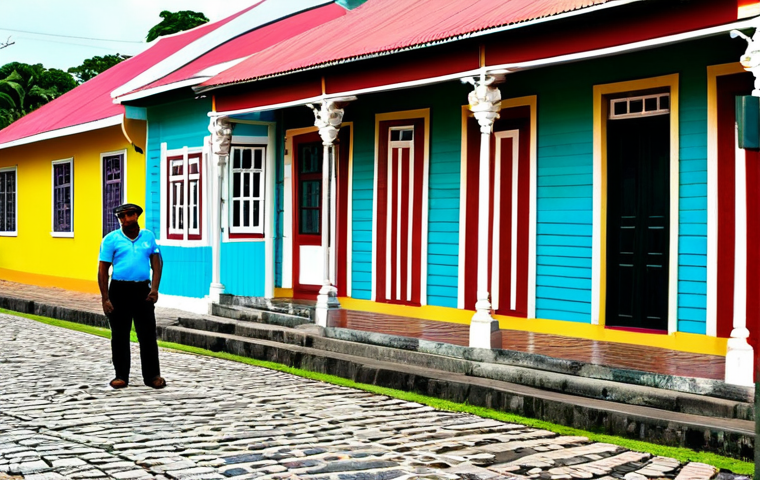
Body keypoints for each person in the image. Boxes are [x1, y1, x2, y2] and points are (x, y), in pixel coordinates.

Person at [97, 203, 166, 389]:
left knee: (147, 335)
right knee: (119, 335)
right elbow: (103, 269)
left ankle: (152, 376)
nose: (126, 219)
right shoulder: (111, 239)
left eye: (130, 214)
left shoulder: (148, 237)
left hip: (143, 291)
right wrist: (105, 298)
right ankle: (121, 376)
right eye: (122, 216)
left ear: (137, 216)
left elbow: (157, 262)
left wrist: (155, 289)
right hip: (119, 290)